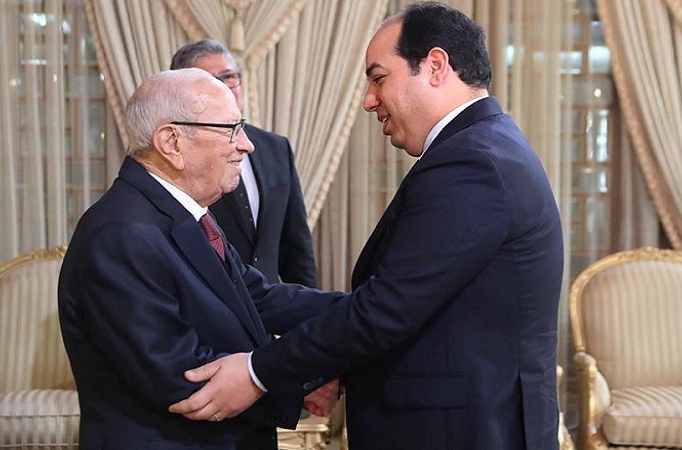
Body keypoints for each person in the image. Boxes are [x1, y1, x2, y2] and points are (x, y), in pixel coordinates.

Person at [169, 2, 564, 450]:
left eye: (379, 79)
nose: (369, 100)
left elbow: (386, 309)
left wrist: (257, 372)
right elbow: (401, 302)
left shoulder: (472, 163)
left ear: (435, 66)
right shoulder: (483, 147)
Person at [58, 68, 343, 450]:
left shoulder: (181, 213)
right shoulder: (120, 234)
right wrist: (301, 377)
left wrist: (364, 310)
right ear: (172, 142)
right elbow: (182, 376)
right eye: (231, 129)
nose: (247, 145)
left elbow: (257, 298)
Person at [170, 39, 318, 287]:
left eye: (229, 76)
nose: (224, 87)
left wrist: (311, 307)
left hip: (270, 303)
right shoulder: (176, 152)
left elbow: (296, 245)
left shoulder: (276, 147)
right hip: (208, 302)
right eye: (210, 81)